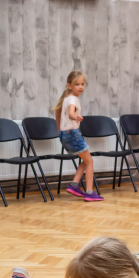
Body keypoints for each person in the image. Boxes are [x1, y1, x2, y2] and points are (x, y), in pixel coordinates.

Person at [53, 70, 103, 202]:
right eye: (77, 84)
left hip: (65, 134)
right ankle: (89, 192)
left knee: (85, 161)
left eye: (82, 84)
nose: (80, 87)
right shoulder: (73, 99)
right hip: (73, 134)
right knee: (90, 162)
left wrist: (60, 130)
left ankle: (74, 185)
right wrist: (76, 117)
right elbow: (71, 114)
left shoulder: (66, 98)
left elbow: (58, 113)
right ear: (69, 86)